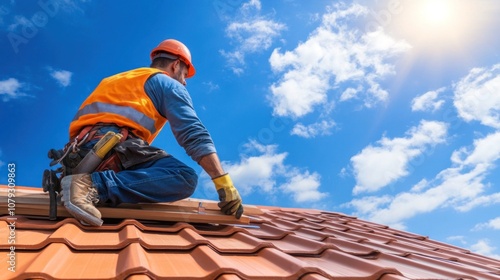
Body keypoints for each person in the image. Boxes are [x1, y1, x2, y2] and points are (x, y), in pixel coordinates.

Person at [58, 39, 243, 226]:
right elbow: (192, 133)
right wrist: (223, 182)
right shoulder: (166, 83)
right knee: (183, 177)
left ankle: (81, 182)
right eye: (185, 75)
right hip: (112, 146)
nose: (185, 82)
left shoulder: (118, 79)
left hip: (79, 152)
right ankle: (89, 185)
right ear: (176, 64)